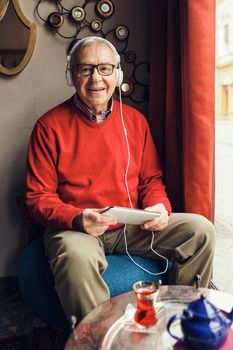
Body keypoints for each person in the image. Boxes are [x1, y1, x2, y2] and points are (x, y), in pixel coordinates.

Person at [25, 36, 216, 323]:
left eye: (104, 68)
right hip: (78, 226)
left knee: (201, 230)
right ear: (71, 75)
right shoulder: (48, 127)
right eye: (85, 69)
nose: (96, 78)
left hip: (130, 225)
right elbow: (37, 197)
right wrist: (78, 218)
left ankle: (183, 321)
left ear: (117, 74)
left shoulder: (136, 121)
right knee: (76, 258)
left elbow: (151, 179)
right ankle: (96, 339)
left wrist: (157, 207)